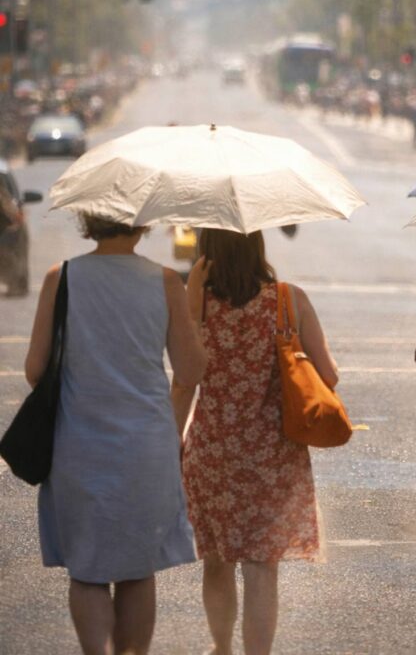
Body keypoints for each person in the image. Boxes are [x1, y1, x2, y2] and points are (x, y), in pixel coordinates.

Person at [25, 215, 207, 655]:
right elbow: (190, 371)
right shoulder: (164, 281)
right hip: (146, 447)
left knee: (87, 570)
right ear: (142, 224)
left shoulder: (61, 277)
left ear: (89, 219)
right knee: (136, 569)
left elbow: (34, 371)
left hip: (77, 444)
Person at [173, 228, 339, 655]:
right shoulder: (288, 299)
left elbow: (184, 381)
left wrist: (170, 443)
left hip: (213, 452)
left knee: (216, 560)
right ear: (257, 246)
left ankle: (222, 647)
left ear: (206, 251)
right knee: (263, 569)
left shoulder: (197, 304)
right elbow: (329, 376)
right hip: (273, 455)